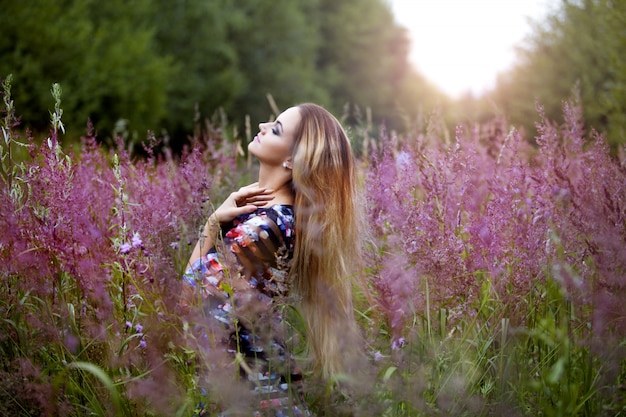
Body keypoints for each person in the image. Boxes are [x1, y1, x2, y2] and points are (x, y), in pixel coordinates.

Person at [180, 103, 362, 415]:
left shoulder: (266, 228)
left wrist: (212, 223)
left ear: (292, 159)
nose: (263, 125)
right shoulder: (276, 217)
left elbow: (189, 300)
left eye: (276, 128)